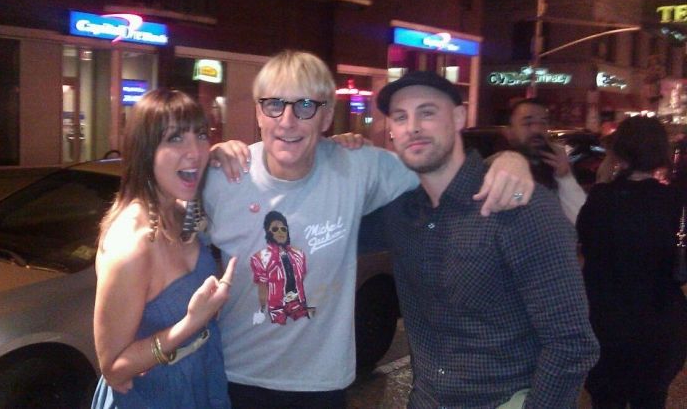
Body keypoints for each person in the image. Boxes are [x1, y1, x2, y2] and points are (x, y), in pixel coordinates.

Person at [203, 50, 535, 409]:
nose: (287, 121)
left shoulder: (355, 166)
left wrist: (508, 159)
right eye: (274, 105)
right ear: (258, 112)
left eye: (305, 106)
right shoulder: (223, 176)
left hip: (319, 385)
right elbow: (168, 221)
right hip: (231, 376)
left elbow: (443, 170)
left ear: (326, 116)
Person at [372, 71, 599, 407]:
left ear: (459, 118)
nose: (413, 127)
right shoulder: (400, 212)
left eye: (427, 112)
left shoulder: (522, 206)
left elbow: (571, 343)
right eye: (400, 117)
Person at [92, 89, 236, 409]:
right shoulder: (133, 245)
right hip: (156, 395)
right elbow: (113, 368)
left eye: (201, 135)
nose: (194, 152)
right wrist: (191, 323)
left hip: (200, 377)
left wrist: (222, 151)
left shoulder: (179, 211)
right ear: (145, 151)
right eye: (175, 138)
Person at [577, 116, 687, 409]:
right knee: (651, 398)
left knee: (606, 400)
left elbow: (587, 245)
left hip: (607, 322)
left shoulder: (601, 200)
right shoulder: (676, 200)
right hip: (660, 323)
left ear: (619, 151)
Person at [504, 97, 586, 223]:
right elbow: (515, 203)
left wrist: (565, 178)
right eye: (527, 123)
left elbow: (581, 219)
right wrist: (519, 190)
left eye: (543, 122)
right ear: (510, 132)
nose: (537, 130)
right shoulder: (500, 166)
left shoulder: (554, 168)